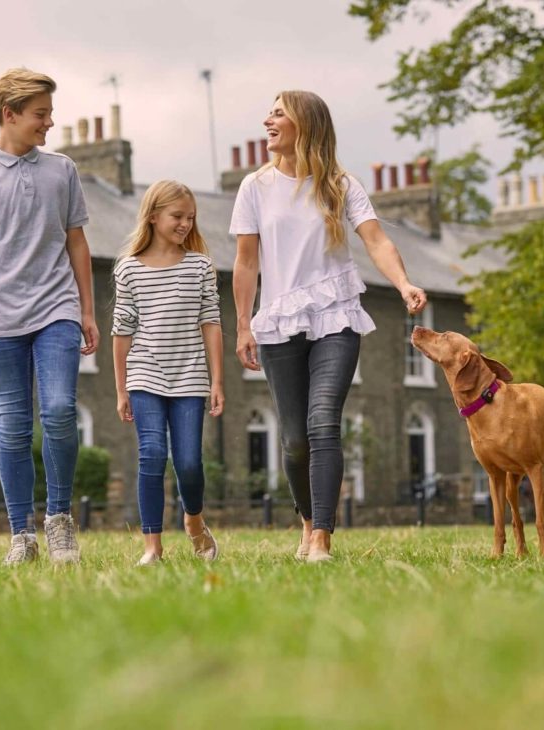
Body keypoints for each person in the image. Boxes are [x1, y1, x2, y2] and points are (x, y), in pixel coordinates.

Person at [230, 90, 427, 562]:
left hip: (336, 314)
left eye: (278, 113)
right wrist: (242, 325)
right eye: (269, 112)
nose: (268, 120)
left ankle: (321, 535)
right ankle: (306, 519)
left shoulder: (341, 185)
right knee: (295, 439)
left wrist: (402, 284)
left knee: (323, 423)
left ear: (305, 123)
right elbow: (246, 261)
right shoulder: (253, 188)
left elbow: (376, 241)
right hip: (280, 320)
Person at [0, 68, 99, 565]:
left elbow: (77, 241)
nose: (49, 123)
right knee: (12, 425)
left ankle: (58, 521)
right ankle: (22, 535)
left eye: (50, 113)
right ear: (9, 115)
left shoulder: (62, 170)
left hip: (57, 308)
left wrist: (88, 312)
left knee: (57, 411)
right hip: (1, 319)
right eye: (40, 114)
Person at [112, 180, 224, 566]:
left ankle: (194, 521)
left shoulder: (200, 266)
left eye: (190, 218)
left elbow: (211, 321)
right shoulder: (128, 270)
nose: (185, 224)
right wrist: (121, 388)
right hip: (145, 375)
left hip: (190, 376)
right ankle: (152, 547)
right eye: (178, 216)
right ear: (154, 216)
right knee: (152, 455)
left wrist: (217, 381)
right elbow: (122, 330)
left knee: (189, 462)